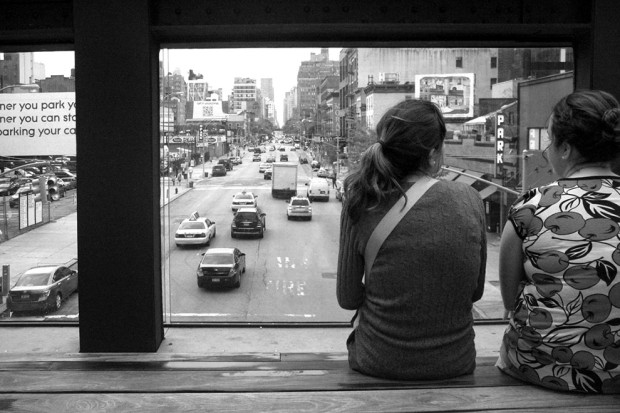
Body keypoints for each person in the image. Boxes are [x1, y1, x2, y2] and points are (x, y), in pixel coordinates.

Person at [337, 99, 487, 380]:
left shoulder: (362, 200)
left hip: (376, 360)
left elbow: (348, 298)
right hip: (455, 363)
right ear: (433, 153)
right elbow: (475, 292)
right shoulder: (470, 199)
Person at [497, 90, 620, 394]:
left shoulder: (530, 207)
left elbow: (510, 300)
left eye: (549, 142)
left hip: (536, 366)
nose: (546, 152)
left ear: (565, 149)